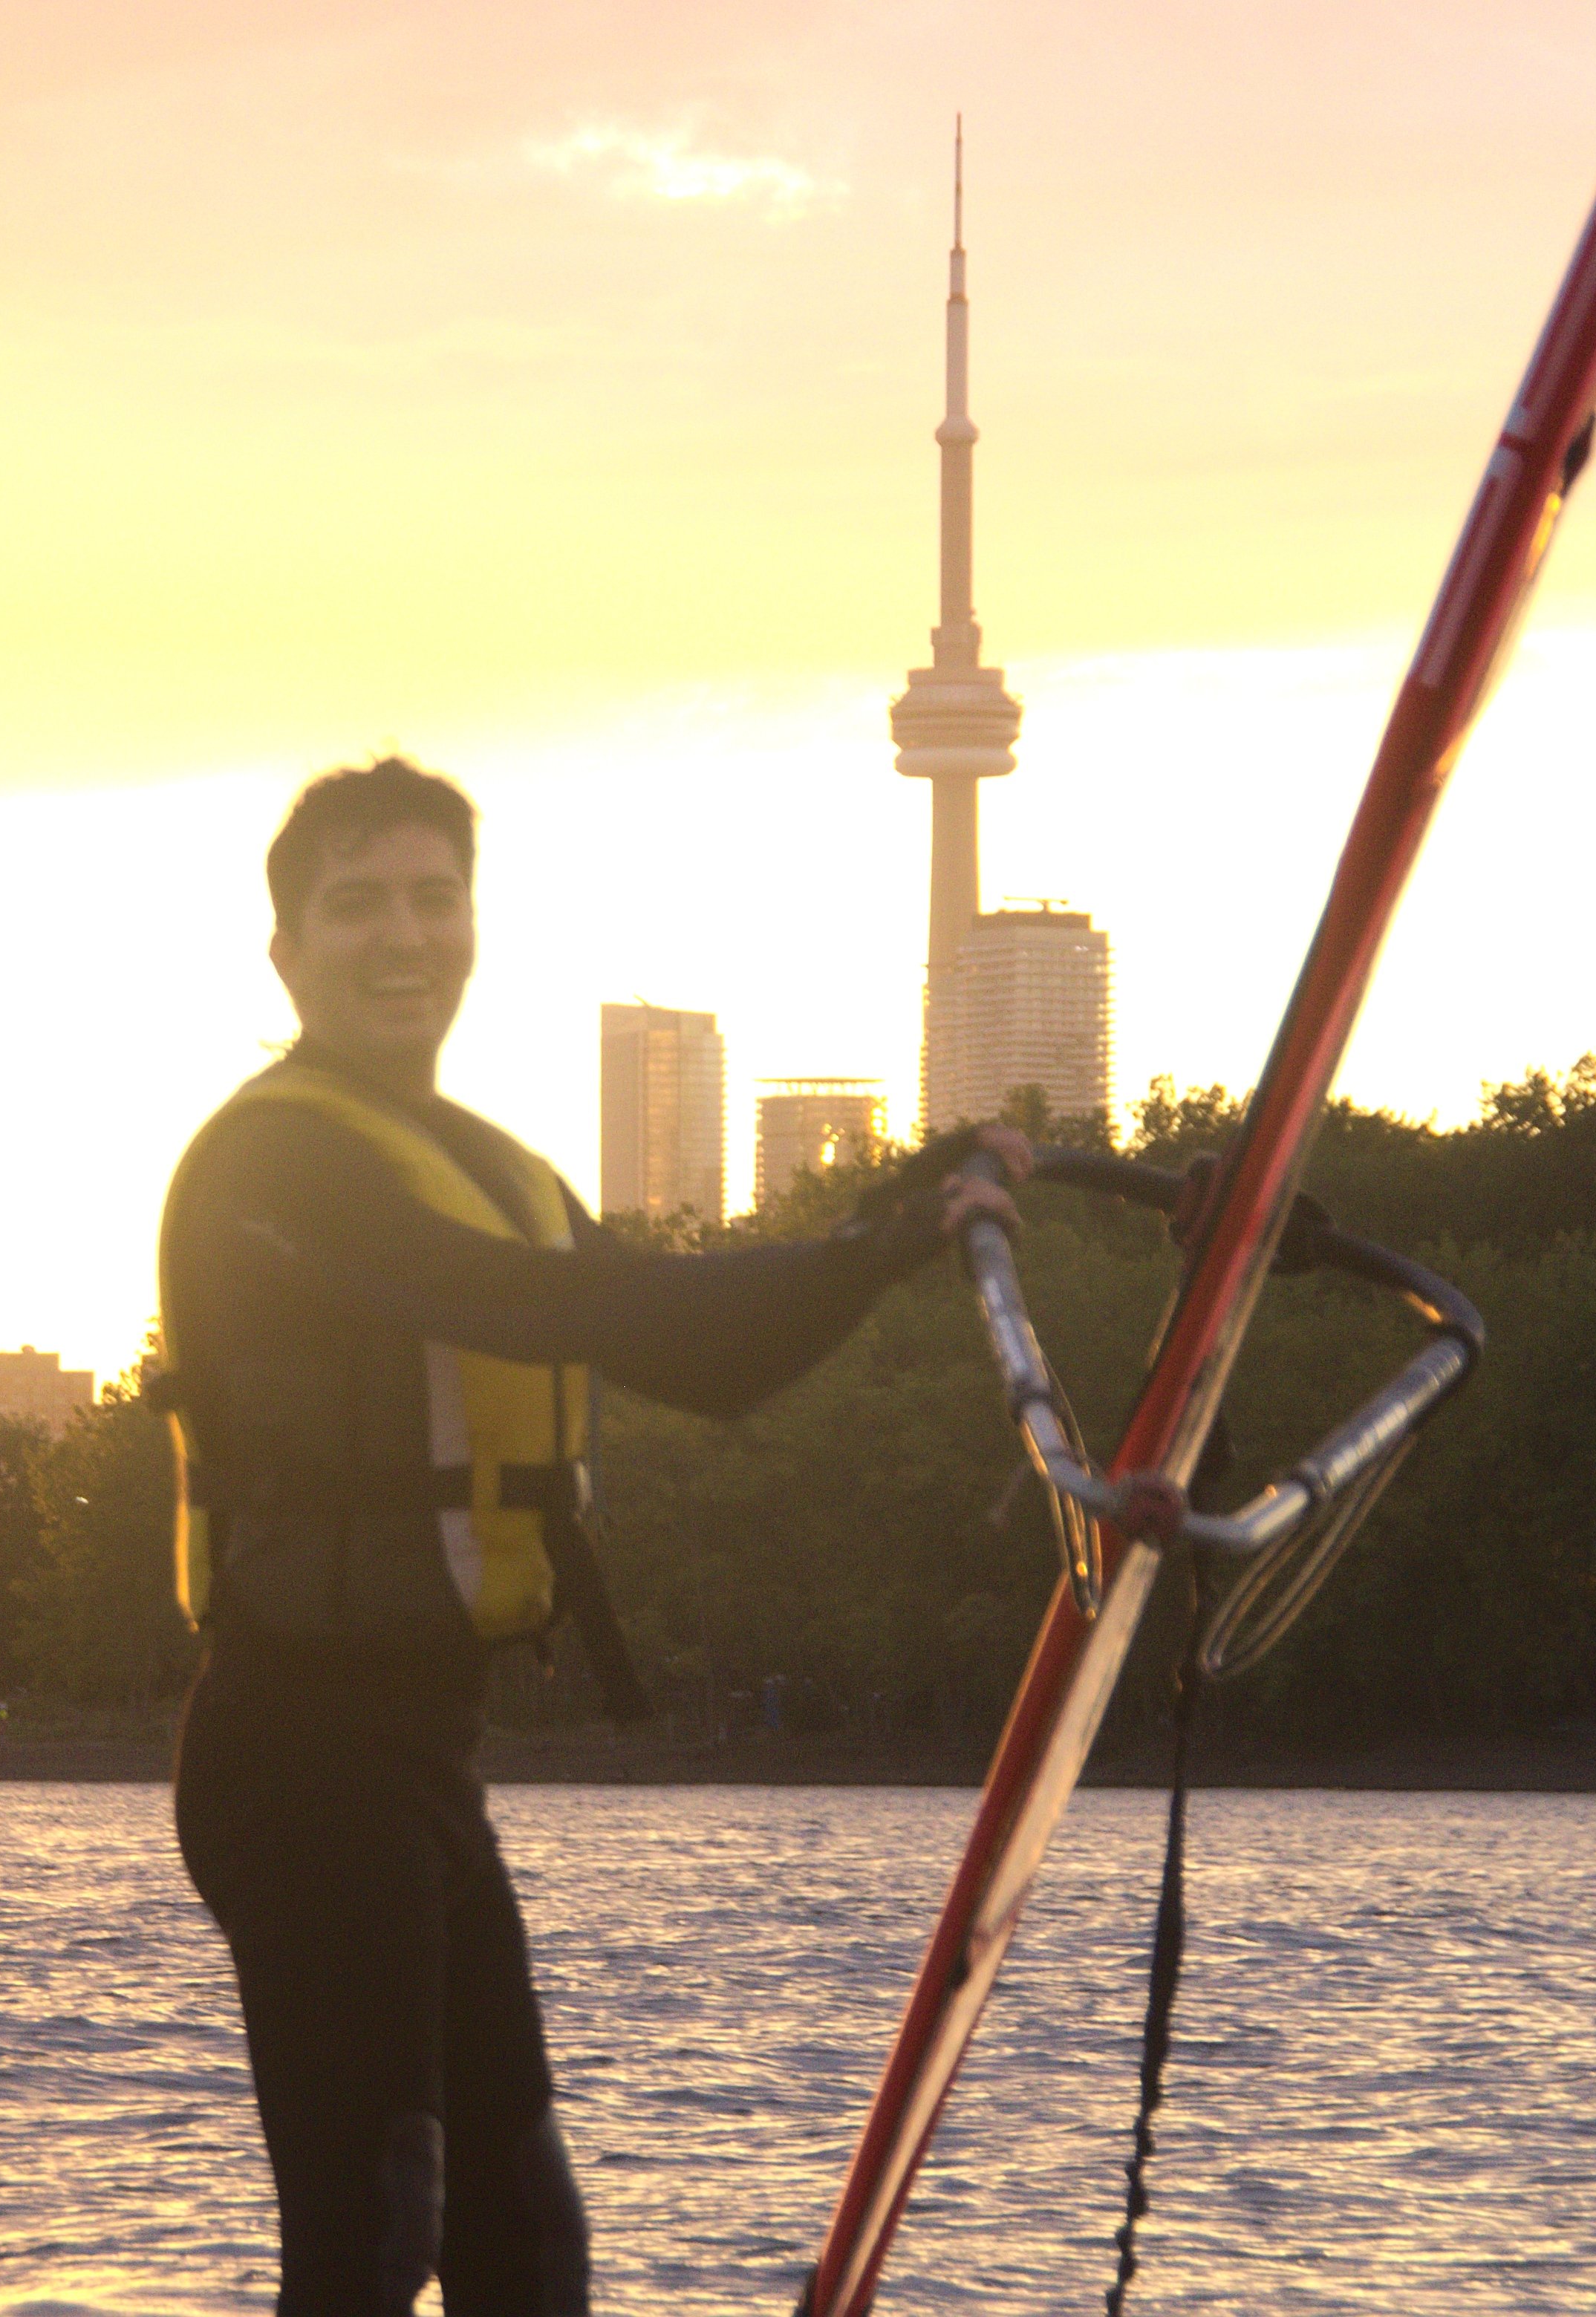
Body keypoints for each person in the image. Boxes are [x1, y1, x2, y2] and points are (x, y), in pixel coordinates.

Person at [159, 755, 1023, 2315]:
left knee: (522, 2245)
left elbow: (708, 1351)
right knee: (371, 2238)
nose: (400, 935)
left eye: (432, 897)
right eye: (355, 905)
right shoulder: (273, 1166)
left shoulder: (501, 1172)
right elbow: (538, 1305)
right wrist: (880, 1232)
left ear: (474, 927)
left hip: (421, 1759)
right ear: (286, 953)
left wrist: (902, 1217)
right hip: (293, 1760)